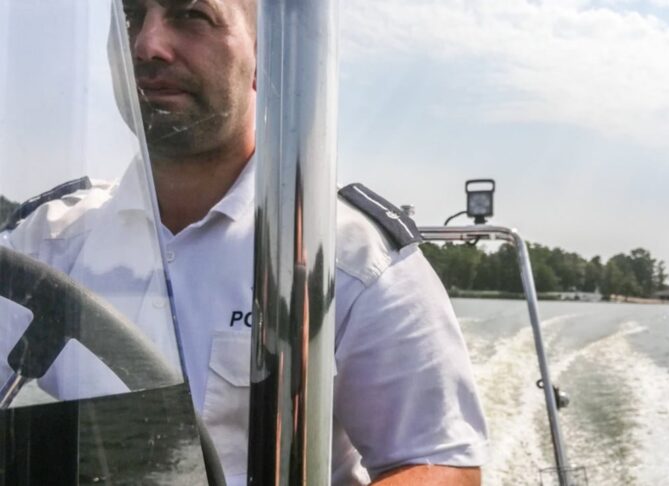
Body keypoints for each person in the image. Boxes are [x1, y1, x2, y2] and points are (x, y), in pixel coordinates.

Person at [1, 0, 488, 484]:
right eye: (130, 17)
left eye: (191, 15)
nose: (147, 45)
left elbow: (441, 462)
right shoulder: (43, 243)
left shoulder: (349, 260)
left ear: (263, 56)